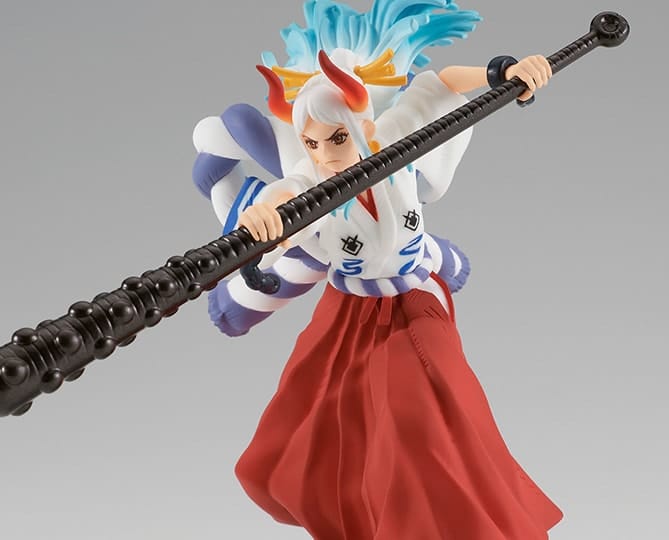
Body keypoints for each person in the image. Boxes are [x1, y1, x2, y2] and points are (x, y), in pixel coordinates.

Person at [192, 2, 562, 538]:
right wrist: (263, 216)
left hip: (416, 303)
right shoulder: (308, 185)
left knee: (429, 413)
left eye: (337, 138)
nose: (325, 154)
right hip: (352, 313)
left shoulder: (393, 139)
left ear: (361, 125)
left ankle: (465, 520)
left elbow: (440, 85)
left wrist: (501, 71)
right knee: (339, 423)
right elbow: (280, 204)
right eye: (313, 143)